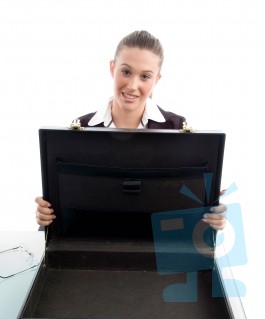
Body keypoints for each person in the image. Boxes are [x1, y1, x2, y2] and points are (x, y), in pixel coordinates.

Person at [35, 30, 226, 229]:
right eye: (126, 72)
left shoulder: (176, 129)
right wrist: (48, 214)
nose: (133, 86)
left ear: (157, 80)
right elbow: (69, 205)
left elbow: (186, 211)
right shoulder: (80, 130)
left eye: (145, 76)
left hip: (159, 251)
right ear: (112, 68)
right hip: (92, 246)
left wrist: (211, 216)